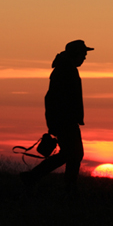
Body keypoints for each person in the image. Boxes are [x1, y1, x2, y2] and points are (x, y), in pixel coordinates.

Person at [21, 39, 93, 193]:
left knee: (70, 154)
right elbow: (53, 98)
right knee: (73, 154)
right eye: (83, 53)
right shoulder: (66, 70)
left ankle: (35, 178)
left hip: (66, 120)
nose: (85, 57)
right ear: (76, 53)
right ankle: (66, 186)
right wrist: (55, 122)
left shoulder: (66, 68)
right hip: (65, 120)